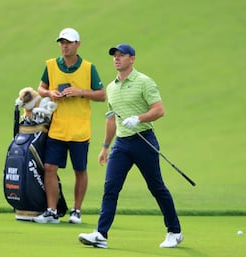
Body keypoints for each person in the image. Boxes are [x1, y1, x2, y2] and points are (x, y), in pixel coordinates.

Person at [78, 44, 183, 248]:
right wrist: (105, 146)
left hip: (144, 140)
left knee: (156, 187)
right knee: (110, 188)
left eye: (121, 55)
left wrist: (138, 118)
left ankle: (175, 232)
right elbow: (111, 120)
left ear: (132, 59)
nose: (116, 59)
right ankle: (101, 235)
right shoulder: (111, 87)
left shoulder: (144, 82)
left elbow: (159, 110)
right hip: (121, 145)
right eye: (114, 56)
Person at [33, 28, 106, 224]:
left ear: (77, 44)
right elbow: (40, 88)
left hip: (79, 130)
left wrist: (81, 92)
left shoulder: (89, 68)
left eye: (68, 42)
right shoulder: (50, 65)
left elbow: (101, 94)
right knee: (49, 168)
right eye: (62, 42)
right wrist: (50, 94)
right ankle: (51, 211)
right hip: (57, 127)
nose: (64, 46)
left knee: (80, 170)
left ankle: (76, 211)